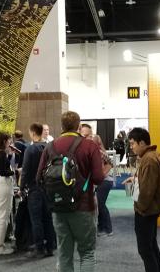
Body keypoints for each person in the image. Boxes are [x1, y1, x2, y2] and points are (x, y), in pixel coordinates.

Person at [36, 111, 111, 272]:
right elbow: (98, 178)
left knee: (64, 254)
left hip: (58, 208)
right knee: (87, 253)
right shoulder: (89, 145)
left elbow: (39, 179)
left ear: (61, 126)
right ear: (78, 126)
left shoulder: (50, 147)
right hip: (84, 206)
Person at [127, 127, 160, 272]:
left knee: (145, 249)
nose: (131, 147)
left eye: (133, 144)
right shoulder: (154, 155)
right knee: (151, 246)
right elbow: (150, 182)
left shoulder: (149, 160)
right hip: (151, 209)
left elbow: (148, 191)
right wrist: (136, 178)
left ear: (142, 142)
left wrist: (140, 208)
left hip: (146, 211)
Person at [20, 122, 55, 258]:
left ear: (33, 133)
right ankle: (50, 247)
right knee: (48, 218)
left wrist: (22, 187)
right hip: (48, 188)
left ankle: (39, 247)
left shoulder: (31, 149)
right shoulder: (50, 148)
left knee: (36, 220)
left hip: (34, 188)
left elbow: (26, 171)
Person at [0, 132, 15, 255]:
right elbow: (3, 171)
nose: (10, 143)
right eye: (9, 141)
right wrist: (15, 172)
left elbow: (2, 167)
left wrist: (9, 157)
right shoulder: (1, 153)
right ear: (4, 141)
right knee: (2, 216)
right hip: (3, 184)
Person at [91, 134, 114, 237]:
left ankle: (108, 229)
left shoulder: (100, 153)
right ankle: (101, 228)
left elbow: (110, 164)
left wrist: (102, 175)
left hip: (105, 182)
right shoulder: (96, 152)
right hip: (102, 182)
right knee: (99, 205)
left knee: (100, 204)